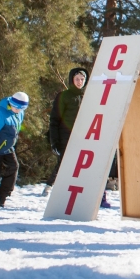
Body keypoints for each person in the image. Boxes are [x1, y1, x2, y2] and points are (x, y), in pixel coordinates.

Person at [44, 68, 89, 198]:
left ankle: (75, 190)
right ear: (71, 80)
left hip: (81, 136)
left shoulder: (87, 96)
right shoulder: (64, 96)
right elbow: (54, 119)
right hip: (65, 135)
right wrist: (54, 141)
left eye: (82, 79)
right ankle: (49, 186)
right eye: (77, 79)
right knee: (63, 162)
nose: (80, 82)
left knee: (80, 164)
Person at [0, 92, 29, 207]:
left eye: (22, 108)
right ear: (11, 103)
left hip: (8, 149)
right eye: (16, 107)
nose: (18, 110)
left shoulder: (20, 113)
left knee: (13, 168)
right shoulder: (0, 114)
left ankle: (3, 195)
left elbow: (15, 132)